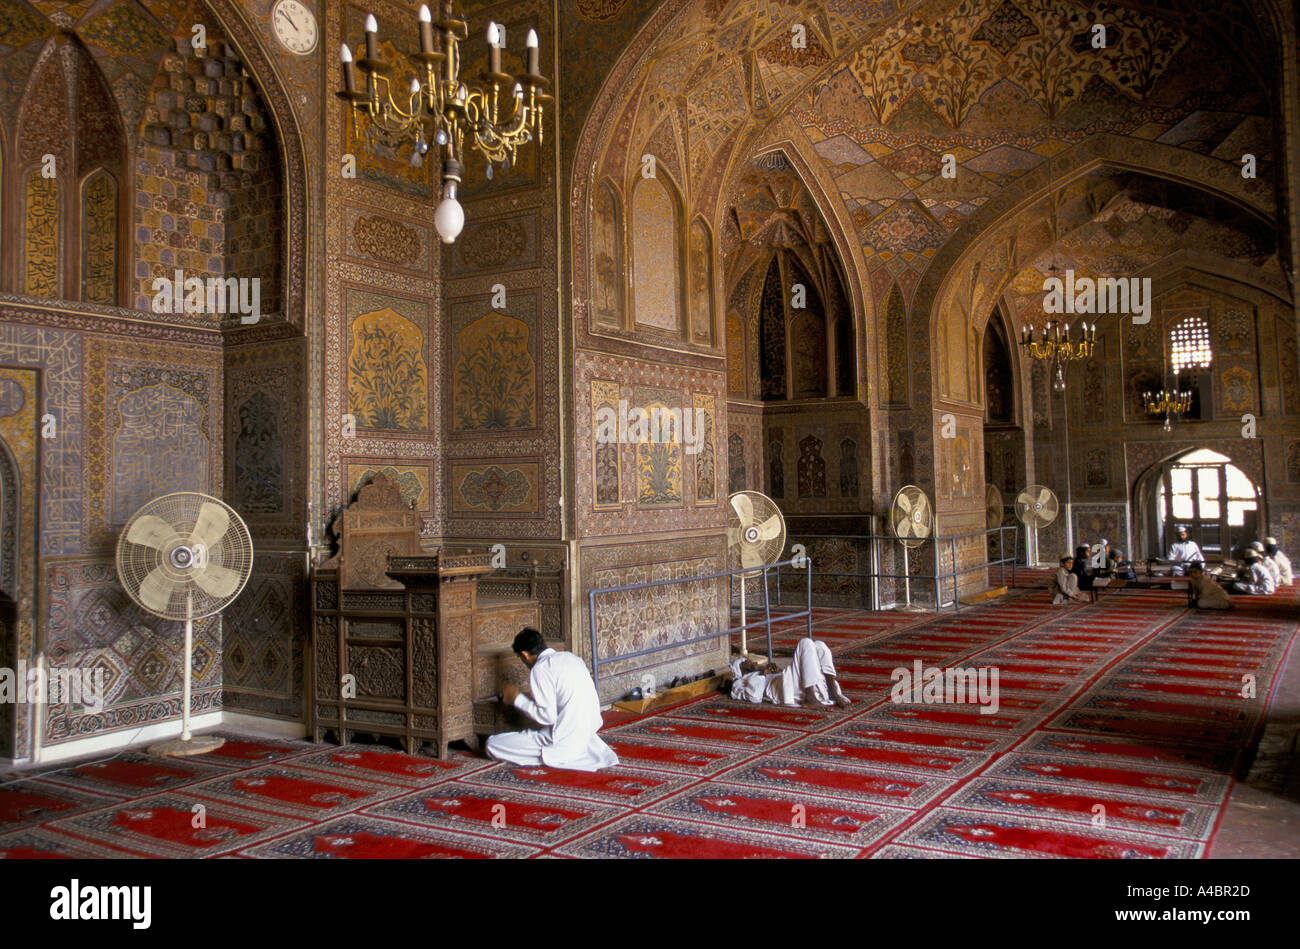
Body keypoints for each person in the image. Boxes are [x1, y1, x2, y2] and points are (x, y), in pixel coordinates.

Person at [485, 627, 619, 772]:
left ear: (524, 655)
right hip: (587, 733)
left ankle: (550, 755)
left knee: (492, 744)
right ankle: (557, 753)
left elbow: (547, 718)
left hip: (564, 740)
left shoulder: (540, 668)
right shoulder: (571, 657)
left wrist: (517, 699)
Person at [728, 637, 852, 707]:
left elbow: (785, 676)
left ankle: (832, 691)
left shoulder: (761, 672)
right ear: (741, 671)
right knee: (805, 643)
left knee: (819, 645)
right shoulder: (740, 683)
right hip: (789, 692)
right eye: (748, 664)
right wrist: (762, 674)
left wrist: (776, 671)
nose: (754, 663)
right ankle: (810, 698)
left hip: (804, 685)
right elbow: (754, 695)